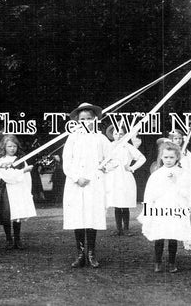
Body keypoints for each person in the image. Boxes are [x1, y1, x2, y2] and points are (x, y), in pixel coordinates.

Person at [62, 103, 111, 268]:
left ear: (95, 119)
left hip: (94, 184)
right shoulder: (72, 138)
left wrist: (104, 167)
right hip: (76, 184)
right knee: (78, 218)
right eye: (82, 119)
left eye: (89, 118)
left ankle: (91, 253)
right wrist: (77, 178)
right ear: (77, 120)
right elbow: (66, 162)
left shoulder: (100, 138)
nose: (86, 121)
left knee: (91, 217)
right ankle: (80, 254)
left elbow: (112, 159)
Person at [138, 141, 191, 273]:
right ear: (161, 157)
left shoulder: (183, 173)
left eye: (171, 157)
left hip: (175, 207)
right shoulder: (157, 174)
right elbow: (150, 193)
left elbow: (187, 192)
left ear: (177, 158)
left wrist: (176, 183)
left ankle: (172, 262)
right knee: (160, 236)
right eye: (166, 157)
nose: (168, 160)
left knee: (173, 236)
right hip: (161, 208)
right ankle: (157, 262)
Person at [0, 135, 36, 249]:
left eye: (14, 146)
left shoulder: (21, 160)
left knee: (17, 214)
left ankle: (17, 239)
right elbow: (7, 176)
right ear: (4, 147)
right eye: (9, 146)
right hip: (6, 190)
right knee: (7, 214)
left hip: (19, 190)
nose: (12, 149)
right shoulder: (0, 161)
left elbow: (28, 177)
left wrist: (28, 190)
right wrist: (22, 171)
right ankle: (9, 239)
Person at [104, 124, 146, 236]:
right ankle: (119, 229)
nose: (118, 135)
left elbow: (142, 158)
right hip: (113, 177)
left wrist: (132, 168)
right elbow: (103, 160)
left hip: (125, 176)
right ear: (112, 135)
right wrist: (108, 167)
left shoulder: (128, 146)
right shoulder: (108, 146)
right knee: (117, 203)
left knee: (125, 203)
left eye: (121, 133)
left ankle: (126, 228)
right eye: (116, 133)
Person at [168, 129, 191, 207]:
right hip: (173, 178)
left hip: (185, 178)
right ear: (172, 139)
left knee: (184, 200)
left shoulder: (187, 152)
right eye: (176, 139)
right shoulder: (169, 152)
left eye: (180, 138)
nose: (178, 140)